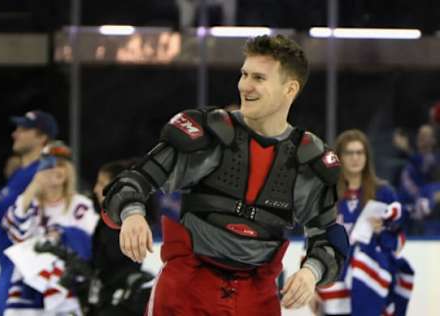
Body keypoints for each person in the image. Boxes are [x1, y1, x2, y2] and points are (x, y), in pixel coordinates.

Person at [102, 34, 349, 316]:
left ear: (289, 89)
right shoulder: (209, 134)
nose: (245, 85)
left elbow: (330, 238)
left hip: (257, 298)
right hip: (186, 290)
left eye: (258, 77)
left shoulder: (309, 160)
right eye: (244, 74)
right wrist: (132, 213)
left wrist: (310, 273)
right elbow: (130, 182)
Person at [313, 129, 414, 316]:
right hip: (335, 288)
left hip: (371, 284)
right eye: (349, 153)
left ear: (367, 156)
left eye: (360, 152)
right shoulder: (327, 196)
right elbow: (313, 243)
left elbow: (398, 239)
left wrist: (382, 230)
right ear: (339, 157)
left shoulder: (383, 193)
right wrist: (312, 289)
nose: (355, 158)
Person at [1, 141, 99, 315]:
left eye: (62, 165)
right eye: (50, 165)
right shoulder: (30, 201)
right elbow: (15, 232)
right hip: (29, 287)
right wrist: (33, 188)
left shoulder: (80, 205)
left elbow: (90, 244)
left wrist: (63, 235)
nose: (56, 170)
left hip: (67, 285)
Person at [0, 110, 59, 316]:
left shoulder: (44, 171)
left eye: (24, 129)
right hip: (13, 265)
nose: (15, 133)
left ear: (42, 137)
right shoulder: (21, 173)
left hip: (28, 270)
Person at [88, 160, 148, 316]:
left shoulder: (127, 222)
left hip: (120, 301)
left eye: (101, 184)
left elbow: (124, 263)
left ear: (115, 188)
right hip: (105, 298)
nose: (95, 189)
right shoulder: (104, 219)